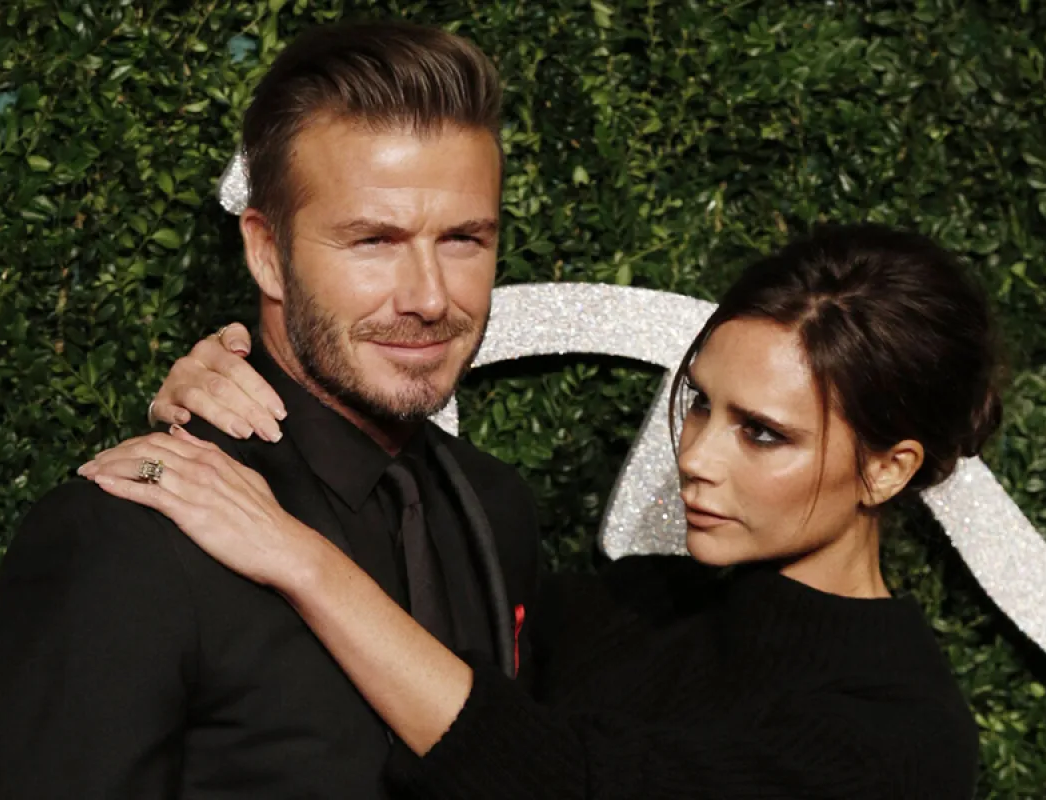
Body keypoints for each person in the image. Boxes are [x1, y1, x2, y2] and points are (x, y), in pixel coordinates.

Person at [87, 223, 997, 799]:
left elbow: (560, 777)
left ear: (887, 469)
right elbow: (410, 663)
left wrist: (300, 558)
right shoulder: (627, 603)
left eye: (763, 434)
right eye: (701, 404)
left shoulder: (901, 739)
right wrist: (250, 409)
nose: (697, 458)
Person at [0, 21, 540, 799]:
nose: (429, 298)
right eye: (374, 241)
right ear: (267, 253)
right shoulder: (125, 537)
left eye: (464, 239)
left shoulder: (495, 506)